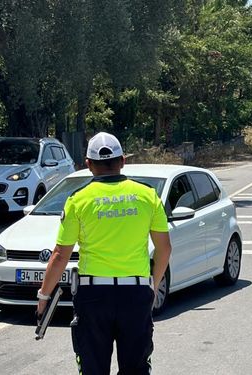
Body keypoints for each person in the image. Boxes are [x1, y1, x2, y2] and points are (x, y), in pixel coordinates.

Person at [37, 132, 172, 374]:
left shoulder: (78, 200)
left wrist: (44, 296)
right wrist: (153, 286)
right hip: (136, 293)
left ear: (88, 165)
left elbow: (59, 256)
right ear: (123, 161)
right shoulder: (147, 195)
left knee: (93, 368)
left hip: (93, 296)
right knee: (136, 368)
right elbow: (164, 248)